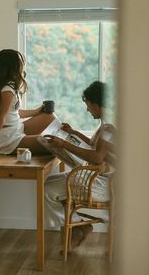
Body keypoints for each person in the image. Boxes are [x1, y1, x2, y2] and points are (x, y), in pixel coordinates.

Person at [44, 81, 117, 247]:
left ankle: (78, 226)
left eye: (88, 105)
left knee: (47, 190)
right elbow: (97, 147)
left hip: (103, 184)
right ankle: (78, 224)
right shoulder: (106, 124)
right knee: (48, 184)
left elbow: (98, 157)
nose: (87, 110)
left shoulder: (109, 127)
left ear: (97, 104)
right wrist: (74, 133)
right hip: (98, 177)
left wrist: (64, 144)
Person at [0, 49, 55, 157]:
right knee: (54, 144)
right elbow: (1, 119)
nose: (22, 65)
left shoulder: (10, 86)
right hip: (9, 139)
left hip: (17, 128)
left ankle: (39, 140)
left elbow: (14, 112)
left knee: (49, 116)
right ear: (12, 67)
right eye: (20, 63)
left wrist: (37, 111)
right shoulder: (7, 90)